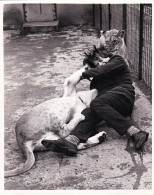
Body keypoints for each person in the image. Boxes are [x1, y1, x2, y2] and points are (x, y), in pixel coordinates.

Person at [42, 47, 149, 156]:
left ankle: (135, 132)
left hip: (124, 95)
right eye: (95, 63)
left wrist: (81, 74)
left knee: (96, 104)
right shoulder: (96, 82)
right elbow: (97, 88)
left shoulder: (117, 60)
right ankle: (71, 141)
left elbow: (102, 70)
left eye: (99, 59)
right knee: (87, 112)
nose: (99, 63)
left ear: (104, 55)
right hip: (111, 107)